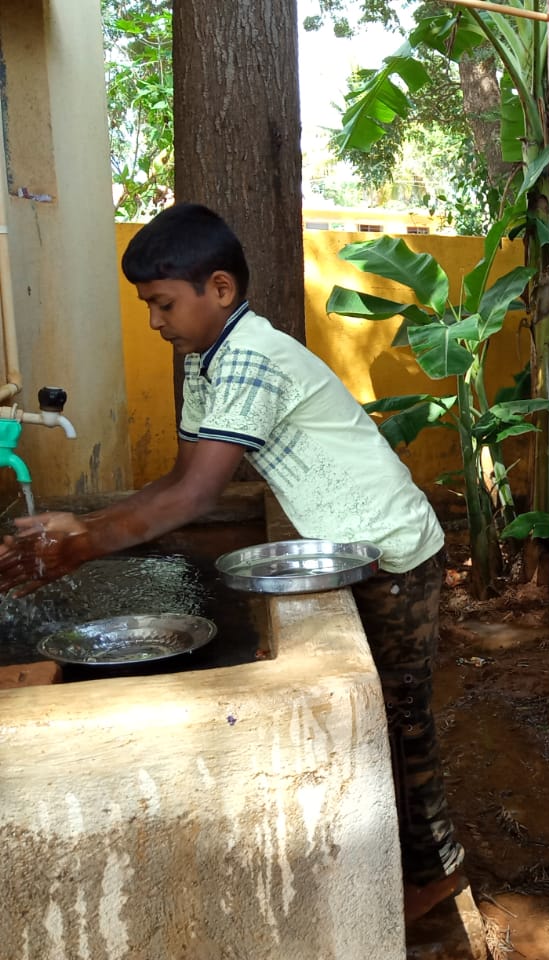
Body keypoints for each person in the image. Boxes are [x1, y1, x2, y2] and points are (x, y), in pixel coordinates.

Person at [0, 202, 465, 923]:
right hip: (350, 545)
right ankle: (398, 862)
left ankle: (435, 871)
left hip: (393, 551)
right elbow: (175, 478)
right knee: (377, 716)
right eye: (149, 307)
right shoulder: (208, 360)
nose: (156, 322)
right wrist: (82, 525)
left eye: (163, 304)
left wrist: (80, 544)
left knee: (400, 720)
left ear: (219, 289)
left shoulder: (250, 354)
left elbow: (192, 496)